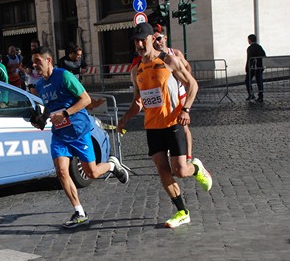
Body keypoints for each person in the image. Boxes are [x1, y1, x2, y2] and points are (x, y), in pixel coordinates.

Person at [117, 22, 212, 229]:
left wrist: (186, 109)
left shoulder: (168, 60)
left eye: (143, 39)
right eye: (136, 41)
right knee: (162, 170)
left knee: (180, 170)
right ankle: (182, 211)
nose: (140, 44)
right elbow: (138, 101)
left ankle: (195, 167)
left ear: (153, 38)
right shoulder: (136, 71)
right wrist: (124, 119)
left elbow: (193, 85)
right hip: (152, 127)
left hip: (173, 123)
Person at [31, 46, 128, 229]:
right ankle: (80, 212)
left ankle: (112, 165)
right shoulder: (40, 86)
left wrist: (66, 114)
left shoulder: (64, 76)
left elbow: (86, 100)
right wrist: (41, 120)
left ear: (48, 60)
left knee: (91, 173)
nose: (35, 65)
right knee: (61, 171)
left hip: (79, 131)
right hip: (59, 135)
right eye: (33, 61)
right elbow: (49, 108)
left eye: (38, 61)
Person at [153, 29, 194, 162]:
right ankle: (174, 151)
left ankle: (188, 156)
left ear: (165, 38)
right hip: (166, 97)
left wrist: (182, 79)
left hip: (180, 95)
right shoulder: (155, 56)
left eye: (159, 38)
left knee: (183, 126)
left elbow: (187, 67)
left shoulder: (175, 53)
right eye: (154, 40)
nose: (158, 42)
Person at [245, 34, 266, 102]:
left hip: (252, 68)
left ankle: (251, 94)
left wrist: (247, 67)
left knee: (248, 80)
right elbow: (264, 56)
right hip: (259, 67)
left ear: (250, 40)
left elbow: (249, 58)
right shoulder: (259, 47)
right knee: (259, 81)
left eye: (248, 39)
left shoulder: (250, 48)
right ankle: (260, 96)